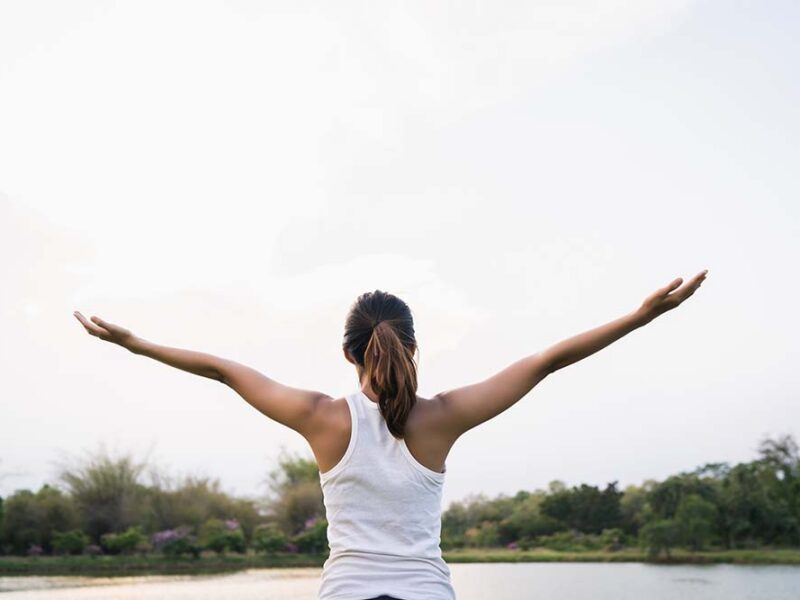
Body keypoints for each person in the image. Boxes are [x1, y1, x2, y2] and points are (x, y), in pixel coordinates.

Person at [73, 269, 708, 599]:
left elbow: (221, 369)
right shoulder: (443, 416)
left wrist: (136, 345)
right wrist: (641, 316)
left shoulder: (322, 417)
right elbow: (544, 361)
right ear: (412, 347)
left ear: (349, 353)